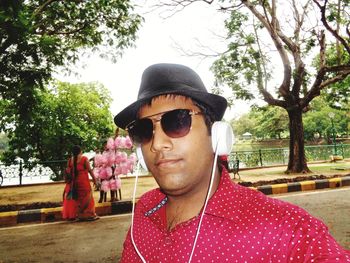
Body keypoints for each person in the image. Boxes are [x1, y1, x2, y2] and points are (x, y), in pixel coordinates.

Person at [114, 63, 350, 262]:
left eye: (176, 121)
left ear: (217, 135)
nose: (157, 144)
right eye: (144, 130)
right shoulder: (144, 209)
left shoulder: (287, 229)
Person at [62, 145, 99, 221]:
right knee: (87, 198)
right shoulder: (84, 159)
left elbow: (68, 172)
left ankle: (78, 215)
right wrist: (95, 180)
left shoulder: (69, 161)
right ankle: (89, 215)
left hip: (74, 183)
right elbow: (90, 170)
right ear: (80, 151)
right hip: (83, 182)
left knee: (77, 199)